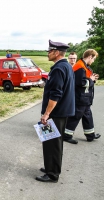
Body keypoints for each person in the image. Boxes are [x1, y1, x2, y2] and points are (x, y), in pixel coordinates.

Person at [36, 40, 75, 183]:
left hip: (55, 113)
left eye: (50, 51)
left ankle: (52, 173)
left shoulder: (59, 69)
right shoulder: (65, 66)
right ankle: (50, 166)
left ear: (57, 52)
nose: (48, 53)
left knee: (52, 143)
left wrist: (46, 114)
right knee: (53, 142)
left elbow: (55, 94)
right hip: (61, 112)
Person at [64, 49, 101, 144]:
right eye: (94, 59)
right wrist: (91, 80)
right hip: (80, 98)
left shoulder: (84, 66)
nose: (93, 61)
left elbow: (85, 80)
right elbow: (80, 82)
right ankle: (66, 135)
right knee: (75, 116)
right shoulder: (80, 67)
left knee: (87, 116)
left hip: (84, 98)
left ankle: (90, 135)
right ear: (90, 57)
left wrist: (93, 79)